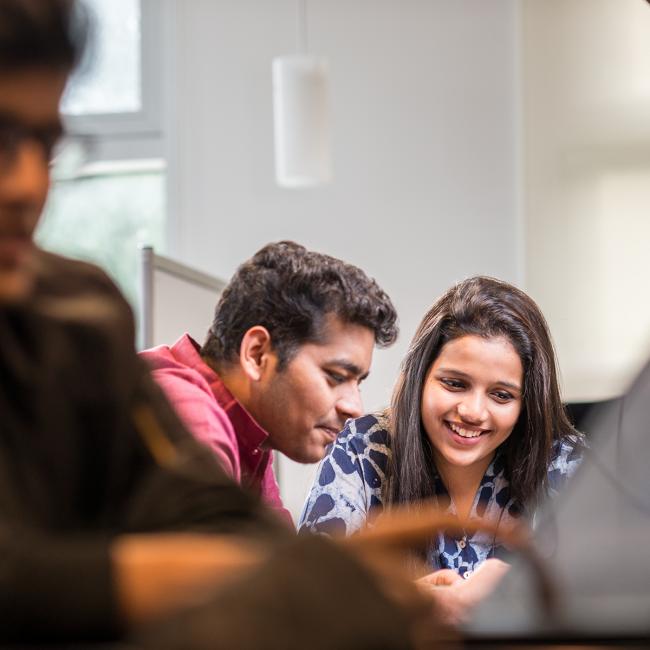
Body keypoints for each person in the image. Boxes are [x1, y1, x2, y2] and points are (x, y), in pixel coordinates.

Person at [0, 1, 432, 646]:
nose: (29, 184)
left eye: (47, 144)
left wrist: (325, 575)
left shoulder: (78, 312)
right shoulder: (193, 405)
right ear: (258, 353)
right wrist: (301, 577)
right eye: (4, 139)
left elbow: (200, 510)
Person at [300, 276, 584, 613]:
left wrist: (519, 596)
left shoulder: (569, 464)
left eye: (502, 395)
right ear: (421, 378)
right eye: (454, 384)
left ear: (526, 404)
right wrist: (411, 603)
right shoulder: (361, 449)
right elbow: (306, 596)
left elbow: (609, 599)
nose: (473, 412)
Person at [140, 241, 398, 521]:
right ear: (257, 354)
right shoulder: (190, 418)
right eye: (335, 377)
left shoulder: (253, 430)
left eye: (357, 383)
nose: (355, 408)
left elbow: (281, 555)